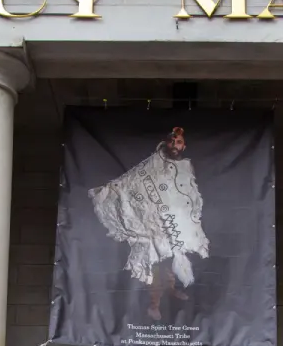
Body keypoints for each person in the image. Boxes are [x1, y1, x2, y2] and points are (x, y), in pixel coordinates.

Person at [88, 126, 208, 321]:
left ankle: (171, 290)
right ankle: (154, 305)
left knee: (172, 259)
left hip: (177, 220)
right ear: (165, 142)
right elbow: (133, 180)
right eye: (171, 141)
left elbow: (188, 191)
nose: (174, 145)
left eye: (178, 142)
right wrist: (112, 190)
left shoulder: (187, 166)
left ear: (184, 146)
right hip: (154, 222)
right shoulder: (152, 164)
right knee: (156, 264)